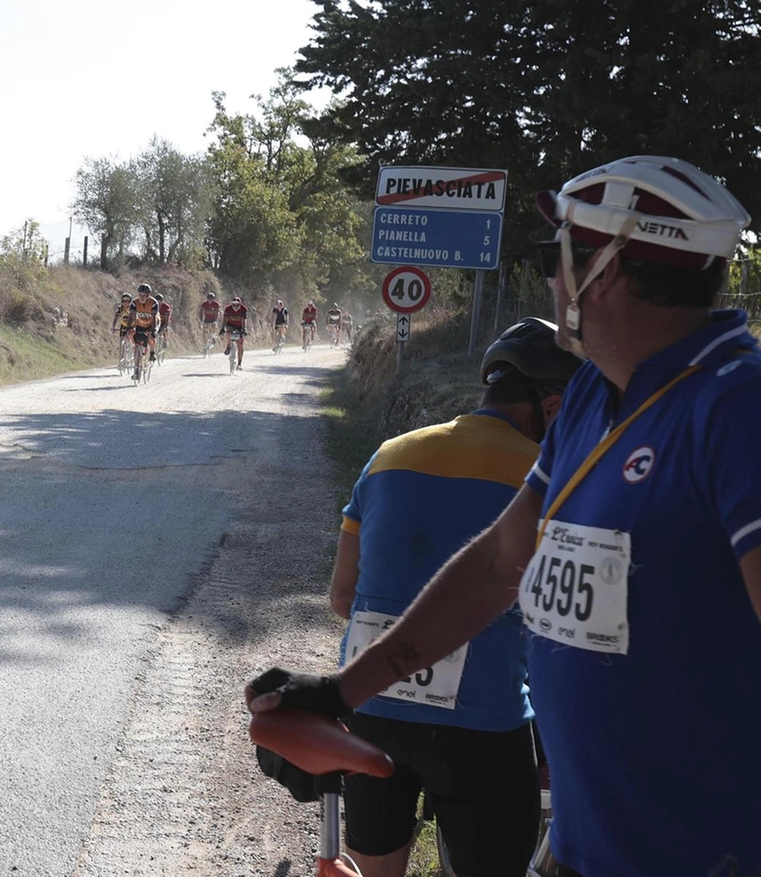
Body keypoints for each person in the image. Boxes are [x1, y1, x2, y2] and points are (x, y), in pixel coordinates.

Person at [248, 156, 761, 877]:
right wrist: (340, 692)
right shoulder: (592, 400)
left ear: (604, 270)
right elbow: (496, 564)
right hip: (579, 847)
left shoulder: (736, 407)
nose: (553, 280)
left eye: (558, 259)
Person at [327, 317, 582, 877]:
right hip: (485, 728)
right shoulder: (552, 480)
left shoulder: (388, 455)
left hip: (374, 708)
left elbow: (343, 597)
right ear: (555, 405)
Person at [128, 283, 161, 381]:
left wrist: (153, 330)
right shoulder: (134, 303)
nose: (141, 297)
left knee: (151, 337)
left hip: (152, 323)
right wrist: (129, 327)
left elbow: (154, 318)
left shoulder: (154, 303)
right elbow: (132, 316)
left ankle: (152, 352)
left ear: (148, 295)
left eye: (144, 295)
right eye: (140, 295)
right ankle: (136, 370)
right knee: (132, 335)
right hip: (140, 324)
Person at [221, 296, 248, 370]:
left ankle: (239, 364)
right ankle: (228, 346)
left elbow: (243, 320)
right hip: (231, 325)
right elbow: (225, 319)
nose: (235, 307)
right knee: (228, 332)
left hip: (239, 326)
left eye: (237, 305)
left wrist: (244, 329)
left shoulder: (243, 309)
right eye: (234, 305)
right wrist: (222, 328)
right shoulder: (228, 308)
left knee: (240, 344)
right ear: (231, 304)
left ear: (240, 304)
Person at [154, 292, 172, 358]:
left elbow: (167, 320)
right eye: (157, 301)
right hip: (156, 322)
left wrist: (165, 326)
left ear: (162, 301)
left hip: (164, 322)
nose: (158, 303)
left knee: (165, 330)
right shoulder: (153, 306)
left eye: (160, 301)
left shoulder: (166, 307)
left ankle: (165, 340)